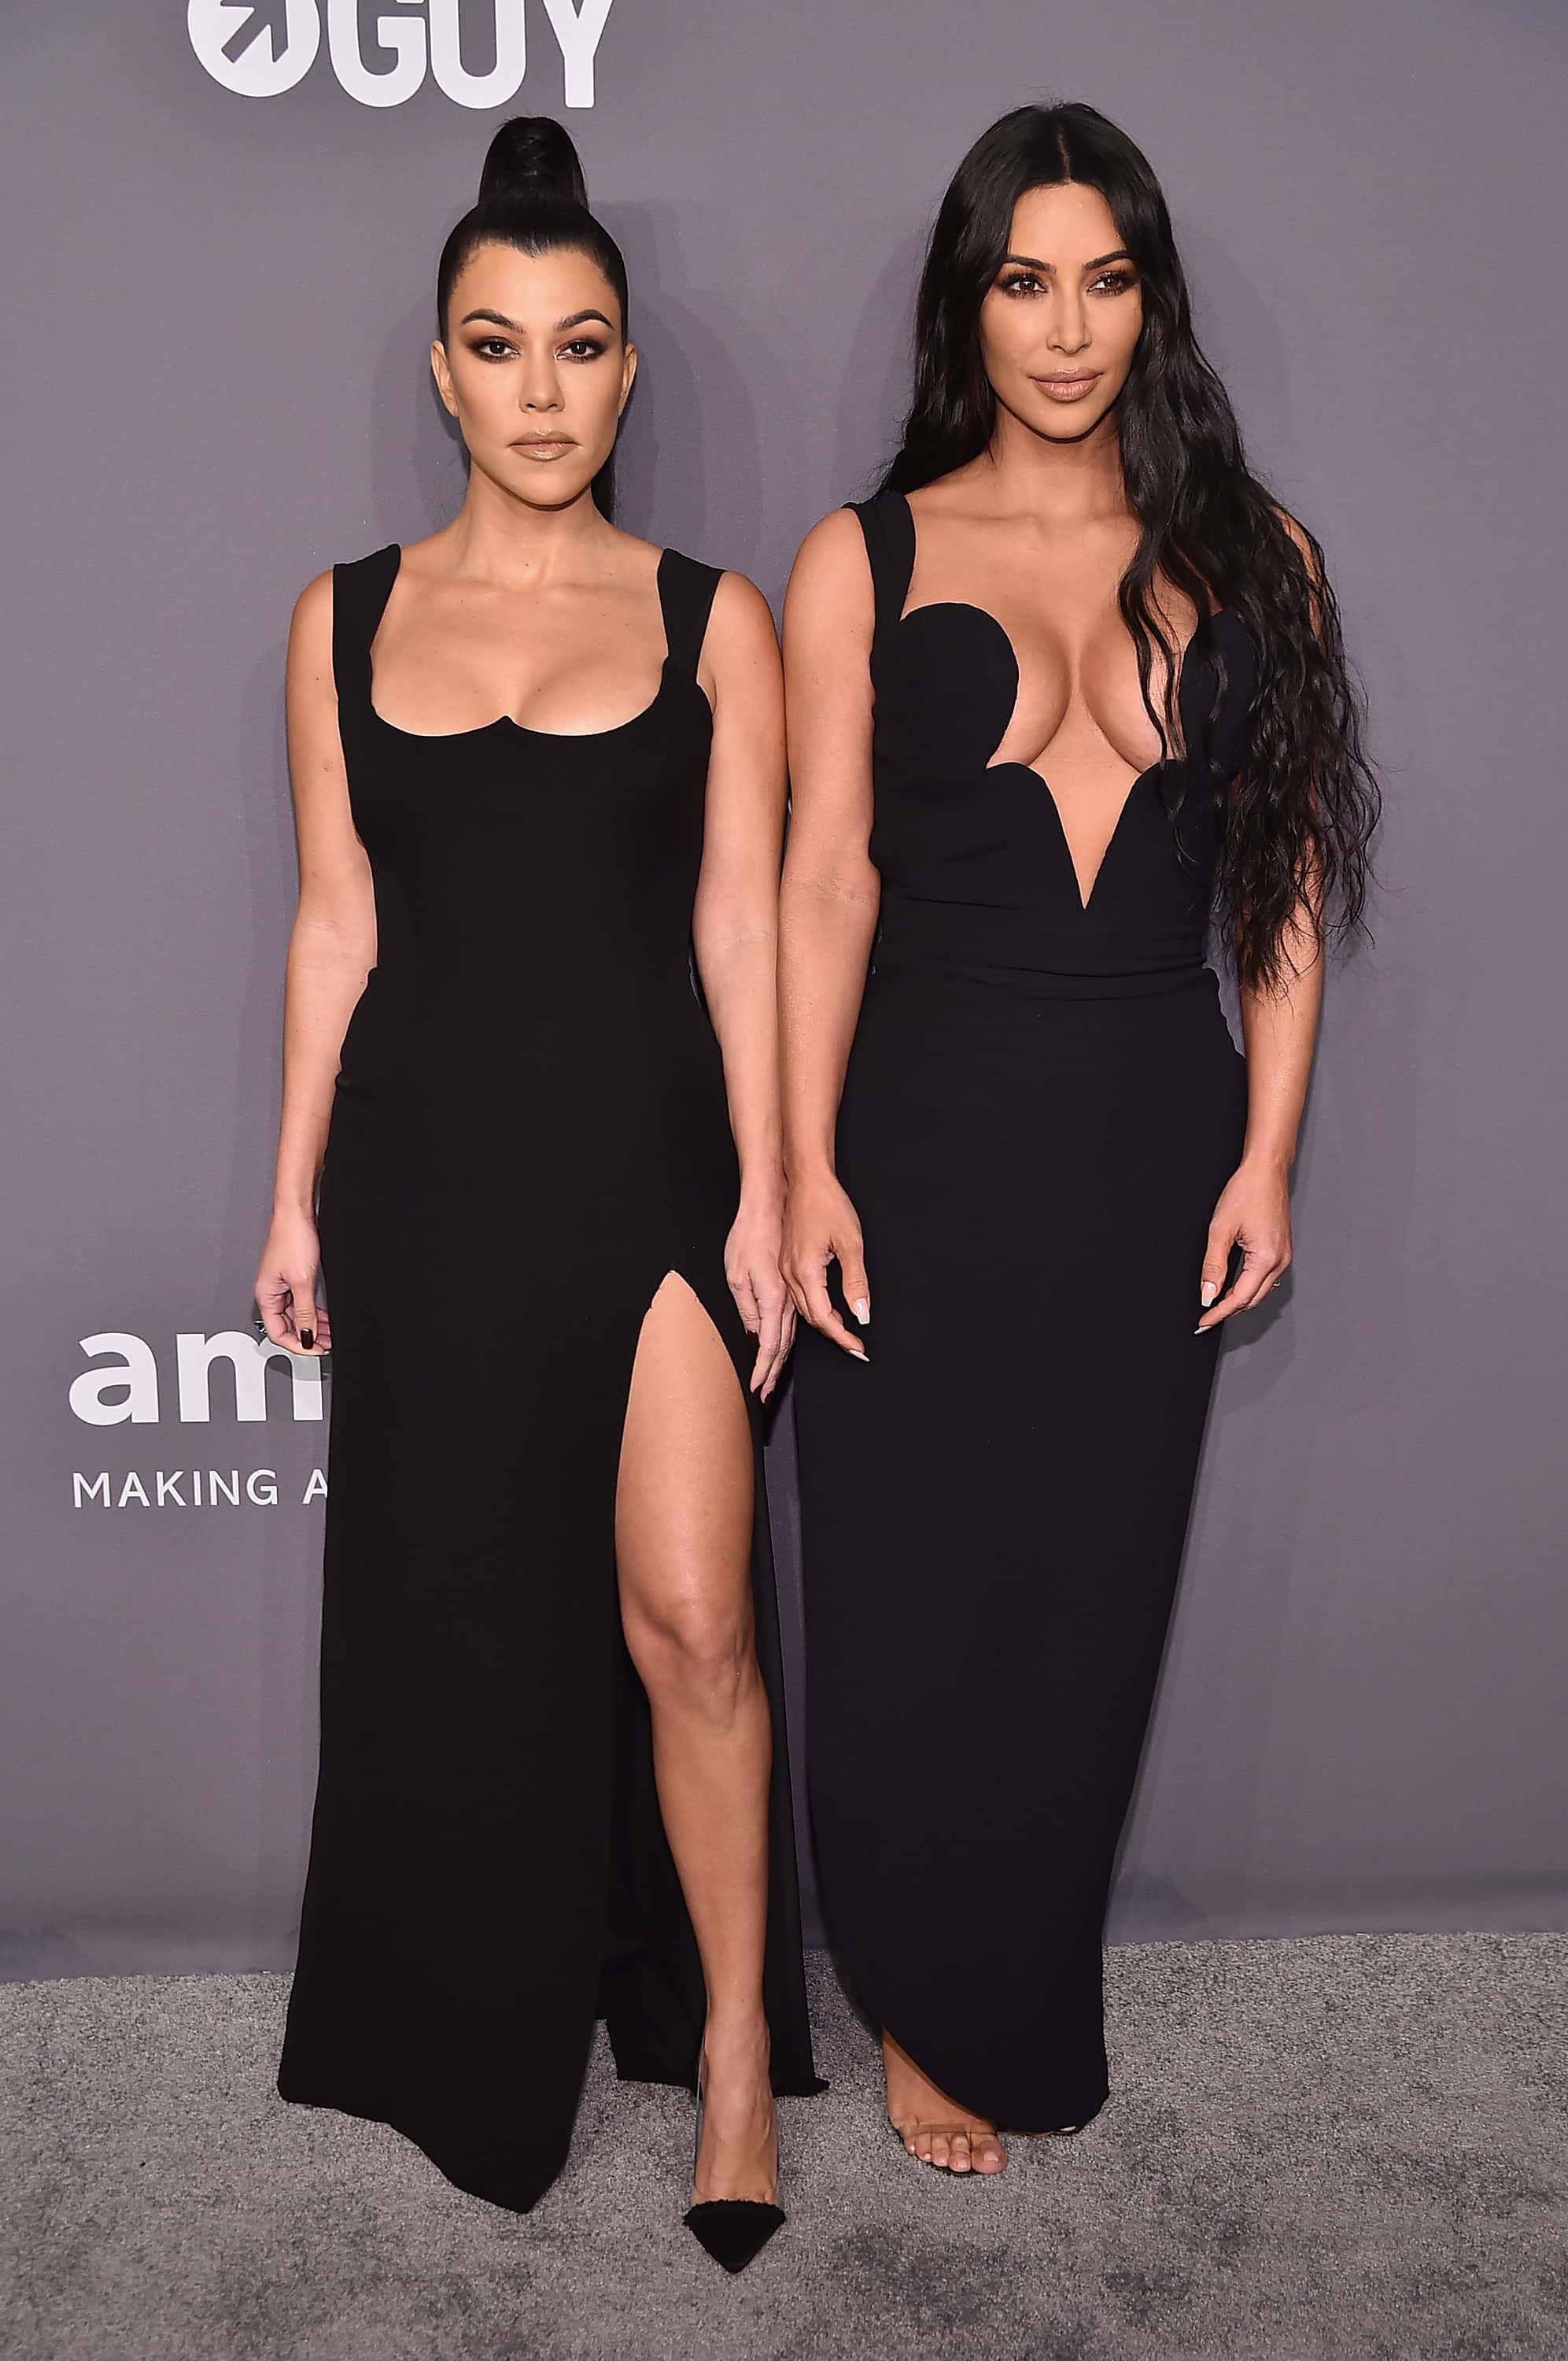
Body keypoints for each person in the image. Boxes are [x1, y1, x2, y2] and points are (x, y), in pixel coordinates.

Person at [779, 102, 1378, 2176]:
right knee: (903, 1587)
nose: (1064, 329)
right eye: (1023, 281)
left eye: (1104, 280)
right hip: (917, 1134)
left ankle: (1016, 1980)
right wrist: (793, 1169)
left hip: (1146, 1135)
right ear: (970, 299)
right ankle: (919, 2009)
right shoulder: (862, 554)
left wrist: (1265, 1154)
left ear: (1153, 301)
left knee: (1082, 1594)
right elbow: (820, 888)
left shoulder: (1255, 556)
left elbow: (1280, 887)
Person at [254, 116, 817, 2270]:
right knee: (466, 1626)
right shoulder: (336, 618)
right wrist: (293, 1198)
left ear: (627, 371)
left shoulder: (715, 618)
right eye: (499, 349)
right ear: (440, 373)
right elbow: (331, 928)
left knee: (692, 1618)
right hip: (422, 1189)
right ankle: (465, 2011)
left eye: (580, 347)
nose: (543, 391)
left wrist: (770, 1188)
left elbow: (749, 933)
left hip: (653, 1179)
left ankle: (742, 2056)